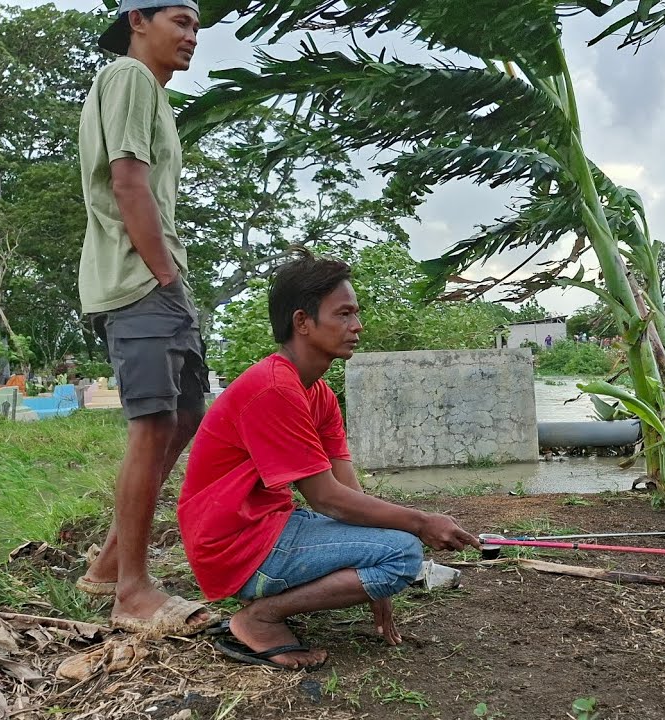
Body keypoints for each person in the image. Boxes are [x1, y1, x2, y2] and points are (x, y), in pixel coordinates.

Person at [178, 255, 480, 670]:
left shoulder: (315, 392)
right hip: (234, 547)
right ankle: (259, 619)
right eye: (344, 314)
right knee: (405, 554)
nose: (357, 326)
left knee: (393, 550)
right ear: (303, 322)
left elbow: (348, 492)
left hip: (269, 528)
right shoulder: (273, 389)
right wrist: (422, 521)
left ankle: (266, 607)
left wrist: (379, 589)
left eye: (355, 313)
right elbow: (327, 499)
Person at [74, 0, 213, 635]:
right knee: (154, 424)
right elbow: (127, 181)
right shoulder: (127, 77)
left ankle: (107, 567)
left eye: (195, 28)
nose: (191, 37)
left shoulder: (151, 94)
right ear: (138, 21)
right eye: (180, 23)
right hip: (138, 281)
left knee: (186, 415)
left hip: (159, 281)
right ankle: (132, 592)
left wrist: (172, 278)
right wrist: (161, 272)